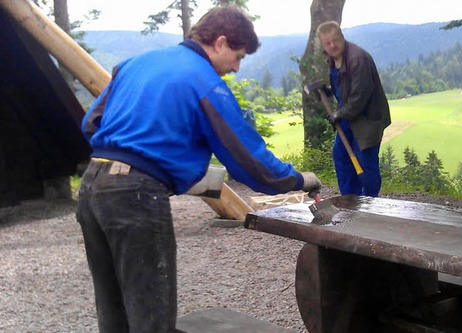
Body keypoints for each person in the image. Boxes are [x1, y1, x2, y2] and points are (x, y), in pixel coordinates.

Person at [75, 5, 322, 333]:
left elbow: (90, 124)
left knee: (113, 310)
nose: (235, 68)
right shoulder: (204, 81)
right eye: (238, 56)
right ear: (220, 42)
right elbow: (249, 159)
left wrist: (147, 159)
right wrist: (297, 179)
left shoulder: (134, 64)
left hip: (92, 188)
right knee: (152, 316)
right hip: (134, 199)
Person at [317, 20, 391, 197]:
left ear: (342, 37)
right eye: (327, 43)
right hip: (348, 117)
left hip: (367, 120)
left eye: (335, 40)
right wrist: (328, 92)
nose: (332, 45)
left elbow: (360, 97)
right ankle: (350, 201)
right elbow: (345, 89)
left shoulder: (358, 59)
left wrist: (338, 114)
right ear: (323, 44)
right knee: (341, 157)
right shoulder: (333, 59)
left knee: (365, 163)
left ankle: (370, 204)